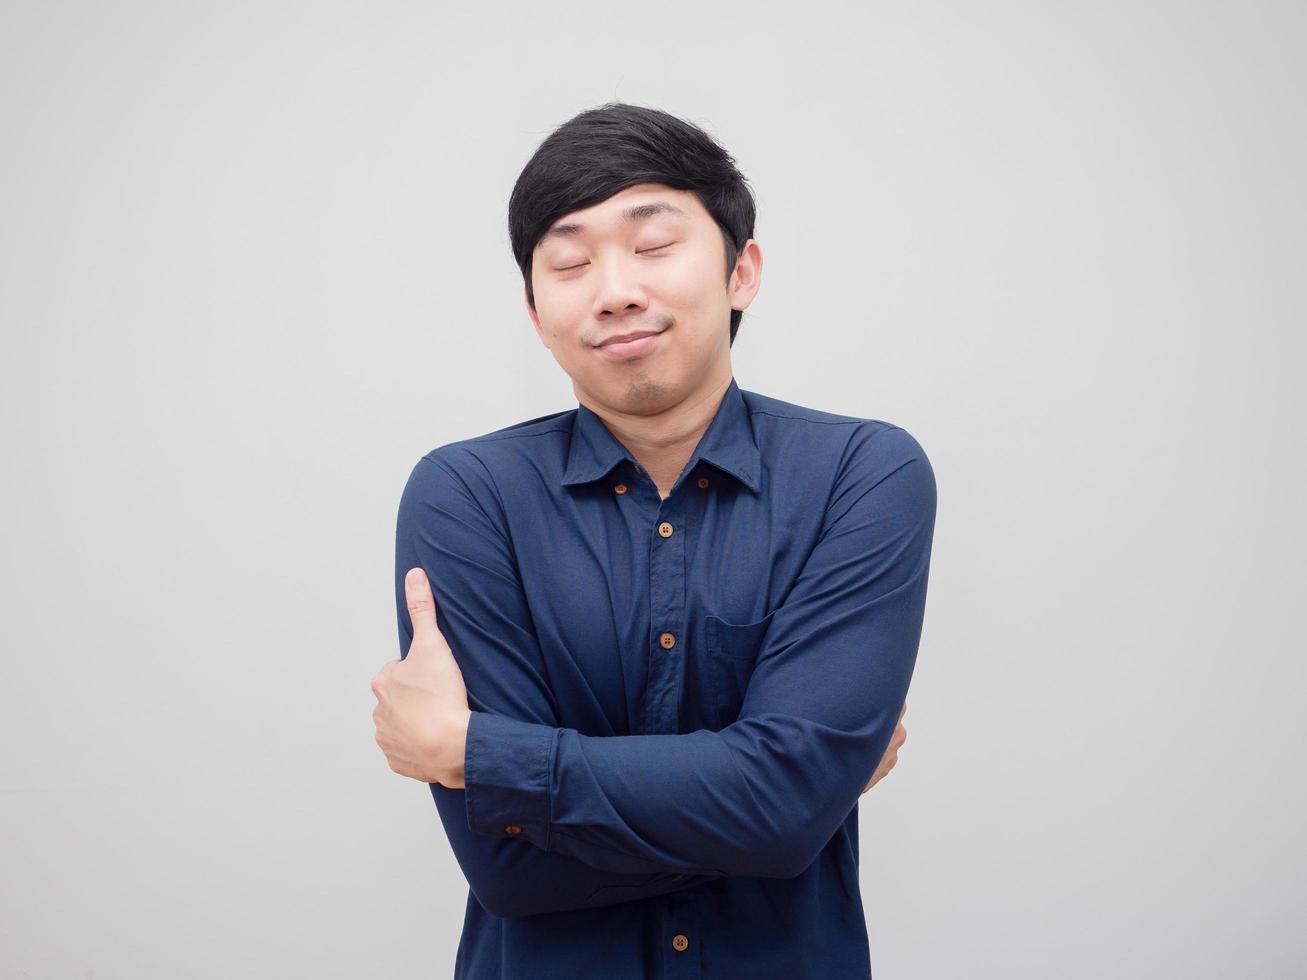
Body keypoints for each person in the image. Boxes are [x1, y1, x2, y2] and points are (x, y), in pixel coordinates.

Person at [371, 101, 937, 980]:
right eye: (568, 262)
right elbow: (508, 867)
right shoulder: (469, 495)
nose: (614, 289)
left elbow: (785, 808)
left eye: (653, 245)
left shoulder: (860, 472)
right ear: (534, 309)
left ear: (740, 271)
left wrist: (483, 756)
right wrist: (793, 799)